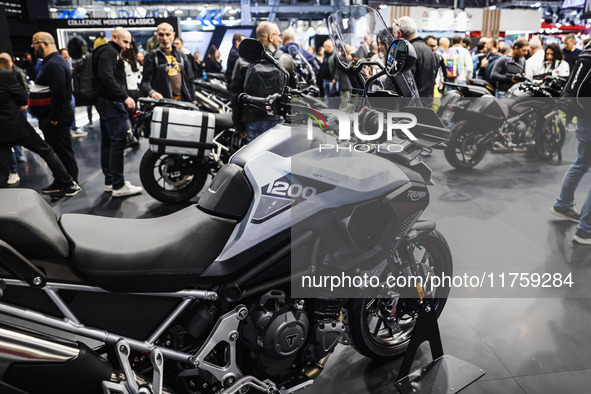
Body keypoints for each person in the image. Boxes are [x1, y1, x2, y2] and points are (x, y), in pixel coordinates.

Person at [0, 58, 80, 195]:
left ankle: (3, 202)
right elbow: (23, 98)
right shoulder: (5, 75)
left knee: (2, 168)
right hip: (17, 125)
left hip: (2, 131)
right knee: (46, 151)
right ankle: (68, 183)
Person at [93, 27, 143, 198]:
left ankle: (111, 181)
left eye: (129, 42)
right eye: (125, 41)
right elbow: (106, 77)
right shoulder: (109, 52)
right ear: (114, 37)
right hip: (112, 102)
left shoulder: (107, 51)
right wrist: (124, 97)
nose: (128, 46)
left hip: (106, 101)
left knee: (108, 141)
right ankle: (118, 185)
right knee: (117, 142)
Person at [29, 31, 81, 193]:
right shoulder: (51, 62)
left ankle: (70, 182)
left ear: (45, 44)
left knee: (63, 151)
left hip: (55, 118)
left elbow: (59, 92)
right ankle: (60, 180)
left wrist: (54, 117)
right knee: (58, 151)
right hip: (51, 116)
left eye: (35, 42)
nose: (32, 46)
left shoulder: (54, 64)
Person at [550, 42, 591, 244]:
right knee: (581, 163)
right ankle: (586, 230)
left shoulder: (587, 50)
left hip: (584, 117)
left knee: (581, 162)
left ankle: (563, 204)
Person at [230, 21, 296, 142]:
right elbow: (295, 92)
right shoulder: (285, 59)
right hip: (279, 119)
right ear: (271, 37)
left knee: (253, 158)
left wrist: (238, 126)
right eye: (278, 36)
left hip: (252, 120)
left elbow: (235, 96)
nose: (280, 40)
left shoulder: (242, 61)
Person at [140, 23, 195, 102]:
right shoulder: (152, 57)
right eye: (161, 35)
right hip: (163, 103)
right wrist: (152, 92)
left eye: (168, 34)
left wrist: (193, 99)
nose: (164, 38)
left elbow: (190, 79)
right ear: (157, 36)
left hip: (183, 101)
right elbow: (145, 82)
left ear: (173, 35)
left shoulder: (182, 56)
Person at [397, 16, 437, 99]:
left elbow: (406, 80)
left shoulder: (408, 51)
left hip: (412, 103)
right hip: (427, 100)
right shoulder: (428, 50)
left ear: (400, 33)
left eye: (394, 34)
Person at [60, 48, 87, 138]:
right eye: (64, 54)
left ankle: (73, 128)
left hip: (71, 90)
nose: (66, 55)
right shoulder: (60, 65)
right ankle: (72, 129)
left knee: (72, 110)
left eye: (67, 53)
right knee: (69, 110)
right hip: (66, 92)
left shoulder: (70, 64)